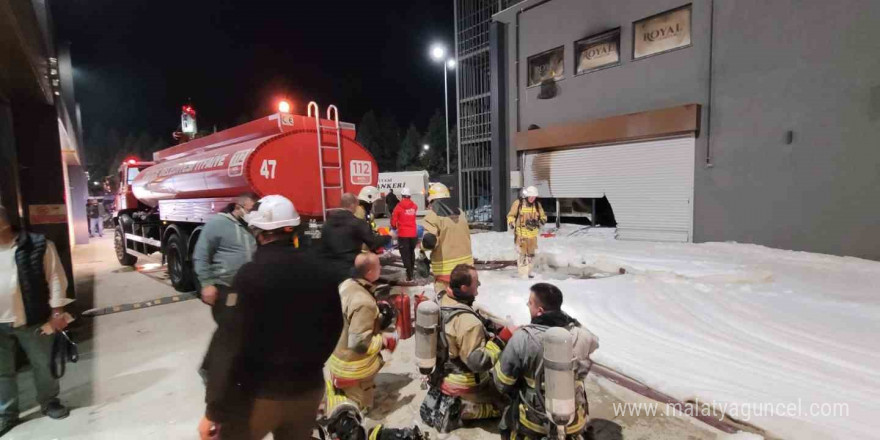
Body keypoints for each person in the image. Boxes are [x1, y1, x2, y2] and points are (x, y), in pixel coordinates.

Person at [198, 195, 344, 440]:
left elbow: (227, 345)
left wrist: (214, 409)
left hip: (260, 396)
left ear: (258, 233)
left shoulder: (249, 277)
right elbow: (334, 325)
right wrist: (311, 365)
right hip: (308, 391)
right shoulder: (322, 270)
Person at [0, 205, 73, 435]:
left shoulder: (38, 244)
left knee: (43, 364)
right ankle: (6, 414)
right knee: (2, 371)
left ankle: (49, 402)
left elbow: (55, 278)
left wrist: (57, 312)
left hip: (32, 319)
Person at [494, 283, 599, 439]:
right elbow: (594, 342)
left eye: (530, 303)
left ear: (540, 311)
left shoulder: (523, 338)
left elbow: (502, 383)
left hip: (533, 422)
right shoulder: (581, 335)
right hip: (573, 421)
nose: (527, 305)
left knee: (505, 423)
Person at [420, 264, 510, 433]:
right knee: (508, 405)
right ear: (464, 287)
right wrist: (500, 341)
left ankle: (446, 400)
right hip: (464, 383)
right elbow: (478, 362)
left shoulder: (440, 302)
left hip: (441, 374)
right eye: (476, 284)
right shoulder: (468, 323)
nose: (478, 288)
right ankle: (463, 410)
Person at [325, 252, 397, 413]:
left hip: (337, 356)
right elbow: (359, 344)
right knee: (358, 407)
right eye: (379, 266)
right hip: (353, 367)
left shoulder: (347, 284)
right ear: (370, 272)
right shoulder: (364, 303)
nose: (381, 268)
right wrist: (384, 340)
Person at [192, 193, 258, 306]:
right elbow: (201, 255)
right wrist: (207, 283)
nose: (253, 215)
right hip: (225, 287)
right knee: (229, 319)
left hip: (249, 287)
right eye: (250, 211)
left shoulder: (253, 226)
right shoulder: (217, 223)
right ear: (238, 207)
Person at [321, 193, 390, 279]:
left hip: (330, 269)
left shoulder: (327, 224)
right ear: (353, 205)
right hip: (349, 270)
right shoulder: (358, 223)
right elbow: (373, 243)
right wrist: (389, 236)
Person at [421, 183, 473, 294]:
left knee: (446, 305)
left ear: (432, 201)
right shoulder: (461, 213)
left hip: (446, 273)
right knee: (465, 302)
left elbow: (430, 242)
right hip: (468, 269)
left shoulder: (432, 217)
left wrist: (421, 247)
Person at [506, 186, 547, 279]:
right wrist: (511, 223)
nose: (533, 198)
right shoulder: (518, 204)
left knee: (531, 255)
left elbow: (543, 217)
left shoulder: (537, 205)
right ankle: (523, 274)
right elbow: (511, 215)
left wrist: (539, 222)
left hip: (532, 236)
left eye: (534, 197)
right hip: (521, 235)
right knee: (522, 255)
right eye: (531, 196)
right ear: (527, 196)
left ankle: (529, 271)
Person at [391, 187, 418, 281]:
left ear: (402, 196)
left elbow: (394, 220)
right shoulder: (414, 206)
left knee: (405, 254)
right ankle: (412, 271)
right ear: (410, 196)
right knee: (411, 252)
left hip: (403, 234)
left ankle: (409, 274)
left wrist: (394, 227)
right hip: (413, 234)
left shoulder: (398, 207)